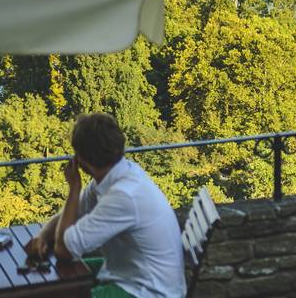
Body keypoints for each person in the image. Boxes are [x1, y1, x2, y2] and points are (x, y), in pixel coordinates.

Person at [26, 113, 185, 298]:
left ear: (81, 159)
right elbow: (73, 213)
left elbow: (63, 251)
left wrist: (74, 189)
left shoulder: (123, 196)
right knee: (60, 276)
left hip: (147, 291)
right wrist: (43, 235)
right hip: (127, 273)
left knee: (57, 284)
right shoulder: (118, 175)